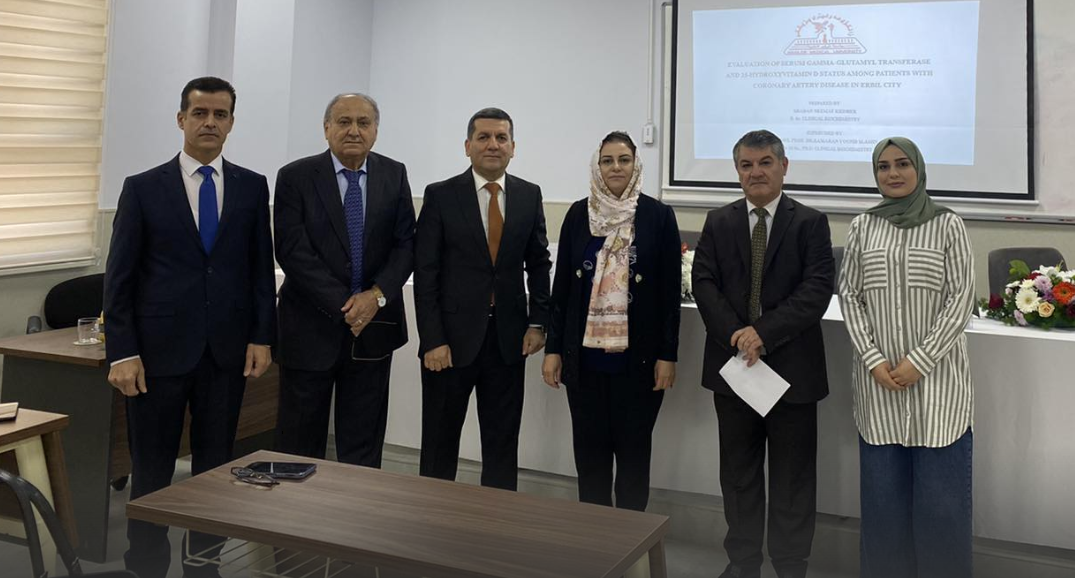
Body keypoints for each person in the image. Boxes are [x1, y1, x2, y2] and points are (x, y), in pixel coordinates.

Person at [103, 76, 276, 577]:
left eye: (220, 115)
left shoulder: (251, 187)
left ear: (231, 123)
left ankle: (204, 564)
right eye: (200, 113)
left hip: (225, 352)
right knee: (152, 468)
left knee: (215, 467)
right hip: (157, 354)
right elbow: (119, 278)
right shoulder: (143, 188)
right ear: (181, 119)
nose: (210, 123)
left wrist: (262, 336)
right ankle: (145, 566)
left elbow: (259, 271)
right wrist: (122, 351)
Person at [691, 129, 834, 578]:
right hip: (735, 370)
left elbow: (816, 291)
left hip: (792, 374)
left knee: (793, 480)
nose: (756, 172)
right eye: (746, 165)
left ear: (784, 166)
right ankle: (743, 564)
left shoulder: (810, 222)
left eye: (765, 163)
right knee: (739, 476)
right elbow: (703, 283)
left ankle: (790, 568)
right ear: (737, 171)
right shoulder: (719, 221)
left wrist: (762, 334)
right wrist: (738, 335)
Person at [838, 137, 975, 577]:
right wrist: (873, 359)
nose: (893, 173)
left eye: (901, 164)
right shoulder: (863, 227)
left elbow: (961, 299)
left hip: (938, 394)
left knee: (943, 512)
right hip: (879, 391)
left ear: (918, 168)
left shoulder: (948, 224)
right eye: (883, 166)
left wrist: (920, 360)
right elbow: (850, 297)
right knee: (883, 512)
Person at [273, 93, 415, 467]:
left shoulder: (394, 174)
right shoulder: (295, 177)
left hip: (374, 331)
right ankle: (297, 507)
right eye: (343, 121)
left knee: (362, 448)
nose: (354, 130)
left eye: (363, 123)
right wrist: (347, 305)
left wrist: (375, 296)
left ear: (375, 130)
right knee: (298, 446)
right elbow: (292, 250)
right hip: (309, 330)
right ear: (326, 129)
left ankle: (357, 507)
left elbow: (406, 245)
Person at [541, 131, 680, 511]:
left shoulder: (658, 217)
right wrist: (553, 350)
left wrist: (668, 355)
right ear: (597, 166)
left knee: (634, 463)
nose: (616, 167)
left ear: (636, 164)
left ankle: (631, 541)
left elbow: (669, 295)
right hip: (584, 365)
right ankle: (594, 538)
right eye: (607, 160)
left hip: (639, 364)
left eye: (624, 159)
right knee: (590, 463)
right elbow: (562, 290)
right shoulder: (578, 215)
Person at [414, 107, 552, 491]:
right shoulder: (440, 195)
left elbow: (539, 263)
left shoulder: (528, 195)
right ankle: (432, 516)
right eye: (484, 137)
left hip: (508, 341)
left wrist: (538, 322)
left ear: (513, 147)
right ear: (467, 146)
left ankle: (498, 521)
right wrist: (432, 339)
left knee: (502, 445)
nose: (493, 144)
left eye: (501, 138)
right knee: (439, 443)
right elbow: (426, 273)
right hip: (449, 344)